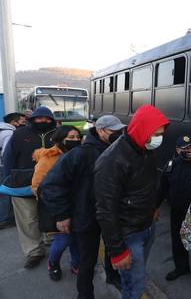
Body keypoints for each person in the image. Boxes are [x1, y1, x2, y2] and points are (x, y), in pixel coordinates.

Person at [40, 115, 126, 299]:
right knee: (87, 261)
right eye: (115, 131)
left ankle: (113, 276)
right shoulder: (80, 154)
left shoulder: (117, 151)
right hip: (86, 216)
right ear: (101, 130)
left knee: (113, 249)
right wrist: (62, 214)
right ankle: (85, 294)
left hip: (110, 215)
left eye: (120, 131)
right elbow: (50, 185)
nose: (119, 134)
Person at [95, 105, 169, 299]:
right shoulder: (112, 160)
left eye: (161, 134)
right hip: (128, 235)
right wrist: (118, 251)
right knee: (134, 287)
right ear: (141, 129)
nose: (158, 139)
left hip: (147, 227)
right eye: (155, 134)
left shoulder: (146, 149)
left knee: (138, 277)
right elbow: (105, 210)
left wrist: (152, 208)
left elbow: (148, 184)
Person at [3, 106, 56, 269]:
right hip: (22, 184)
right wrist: (9, 177)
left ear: (52, 120)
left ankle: (50, 240)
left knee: (51, 213)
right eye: (39, 118)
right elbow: (8, 157)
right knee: (27, 219)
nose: (43, 121)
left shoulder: (58, 134)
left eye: (47, 119)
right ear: (32, 119)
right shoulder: (19, 134)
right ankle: (34, 251)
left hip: (51, 184)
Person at [157, 135, 191, 292]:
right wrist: (154, 207)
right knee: (177, 240)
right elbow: (162, 189)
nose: (190, 150)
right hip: (177, 212)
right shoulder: (170, 166)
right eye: (185, 148)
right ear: (177, 150)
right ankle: (181, 268)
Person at [32, 125, 81, 280]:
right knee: (63, 240)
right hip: (60, 209)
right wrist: (58, 210)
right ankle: (53, 263)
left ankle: (76, 263)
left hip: (78, 206)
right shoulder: (47, 159)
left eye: (78, 137)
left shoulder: (79, 154)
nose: (76, 140)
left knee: (77, 238)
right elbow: (38, 187)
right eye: (71, 137)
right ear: (60, 139)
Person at [0, 112, 26, 230]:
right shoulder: (9, 133)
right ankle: (4, 219)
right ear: (14, 122)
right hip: (2, 167)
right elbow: (7, 154)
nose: (24, 124)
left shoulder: (1, 130)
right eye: (22, 122)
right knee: (5, 193)